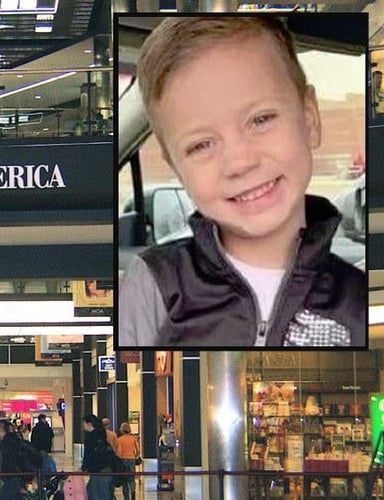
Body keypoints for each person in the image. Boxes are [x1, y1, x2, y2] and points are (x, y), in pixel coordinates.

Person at [118, 16, 365, 347]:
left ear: (309, 119)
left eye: (261, 120)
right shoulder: (155, 283)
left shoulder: (358, 300)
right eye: (201, 144)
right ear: (176, 166)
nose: (240, 162)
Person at [81, 414, 115, 500]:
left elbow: (88, 453)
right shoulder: (102, 434)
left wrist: (83, 467)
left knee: (96, 494)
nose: (82, 425)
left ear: (89, 424)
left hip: (98, 471)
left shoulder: (91, 437)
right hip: (106, 468)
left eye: (84, 423)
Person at [0, 419, 26, 500]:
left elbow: (7, 461)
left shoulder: (6, 443)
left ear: (0, 428)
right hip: (17, 475)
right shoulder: (14, 440)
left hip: (11, 475)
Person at [115, 423, 141, 500]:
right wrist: (135, 455)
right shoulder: (133, 438)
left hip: (123, 459)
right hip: (131, 459)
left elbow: (119, 452)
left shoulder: (119, 440)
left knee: (124, 479)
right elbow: (138, 450)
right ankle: (133, 492)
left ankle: (126, 497)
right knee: (131, 478)